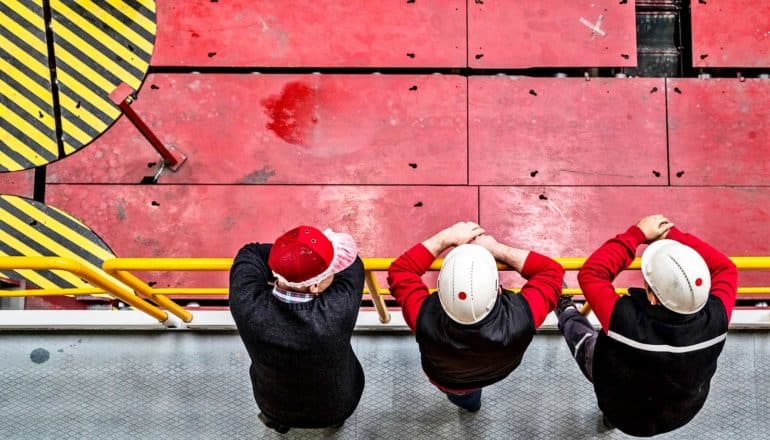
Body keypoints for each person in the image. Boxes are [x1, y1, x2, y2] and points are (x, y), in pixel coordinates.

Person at [556, 214, 738, 437]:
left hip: (620, 406)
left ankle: (565, 309)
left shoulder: (625, 321)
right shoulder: (716, 319)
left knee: (581, 338)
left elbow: (591, 274)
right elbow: (726, 269)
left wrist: (642, 233)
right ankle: (610, 418)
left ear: (652, 298)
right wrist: (670, 237)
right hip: (677, 413)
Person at [387, 221, 564, 411]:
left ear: (441, 289)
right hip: (497, 372)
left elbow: (400, 271)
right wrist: (496, 249)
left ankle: (471, 405)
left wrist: (447, 237)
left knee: (464, 397)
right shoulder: (521, 318)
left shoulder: (423, 317)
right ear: (497, 289)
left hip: (448, 380)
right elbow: (551, 272)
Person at [229, 225, 365, 434]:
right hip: (337, 405)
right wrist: (308, 258)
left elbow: (250, 252)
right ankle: (336, 424)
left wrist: (290, 258)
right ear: (315, 287)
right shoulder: (339, 310)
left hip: (273, 403)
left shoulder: (245, 303)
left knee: (278, 418)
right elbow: (353, 265)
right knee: (335, 418)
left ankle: (280, 426)